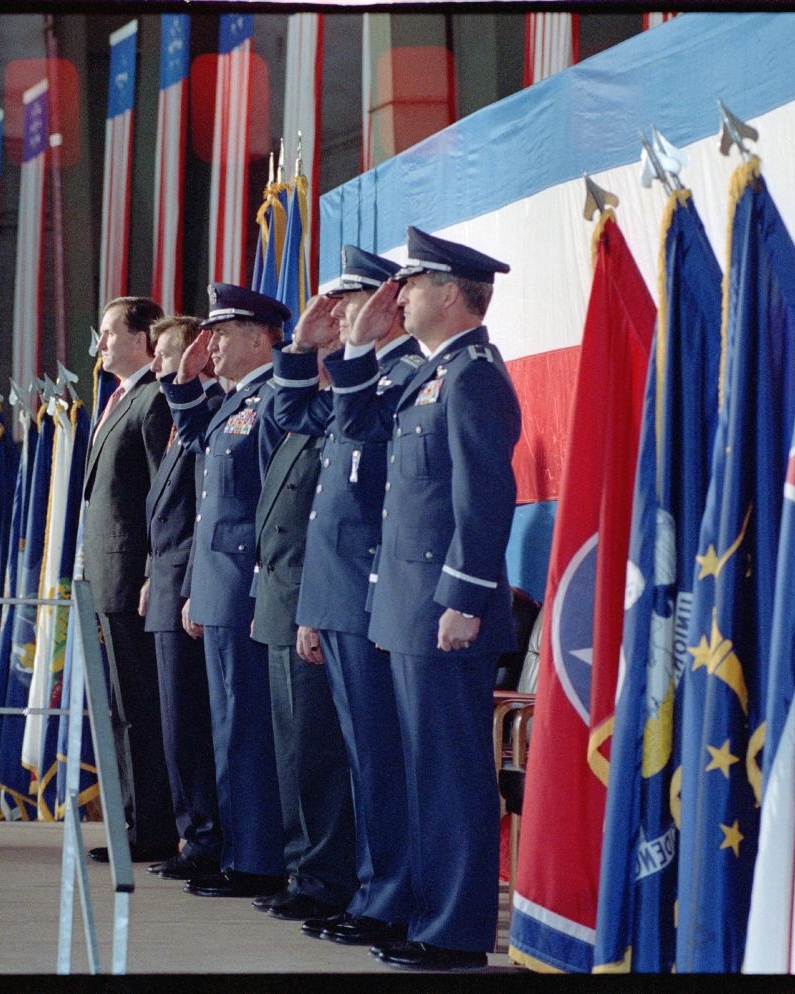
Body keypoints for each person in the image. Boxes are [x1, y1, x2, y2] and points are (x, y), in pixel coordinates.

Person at [324, 226, 521, 971]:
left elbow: (485, 496)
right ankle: (426, 915)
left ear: (449, 292)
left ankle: (454, 931)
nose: (397, 295)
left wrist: (465, 599)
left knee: (448, 774)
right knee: (416, 770)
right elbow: (358, 432)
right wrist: (355, 348)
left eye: (412, 284)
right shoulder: (428, 373)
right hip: (407, 605)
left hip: (443, 609)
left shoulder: (473, 376)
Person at [269, 246, 425, 948]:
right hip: (336, 595)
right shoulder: (359, 381)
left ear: (386, 307)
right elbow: (292, 417)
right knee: (353, 757)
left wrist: (348, 353)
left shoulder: (399, 377)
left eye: (347, 303)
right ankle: (367, 890)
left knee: (375, 761)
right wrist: (301, 349)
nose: (336, 315)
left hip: (369, 594)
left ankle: (381, 895)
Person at [158, 282, 289, 899]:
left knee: (248, 728)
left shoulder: (271, 400)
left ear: (261, 337)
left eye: (225, 333)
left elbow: (272, 504)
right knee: (227, 727)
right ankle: (239, 849)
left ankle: (258, 858)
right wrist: (181, 384)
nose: (211, 344)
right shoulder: (235, 402)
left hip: (245, 588)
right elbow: (200, 444)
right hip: (216, 588)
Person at [248, 321, 357, 924]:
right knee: (292, 751)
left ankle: (322, 875)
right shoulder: (309, 414)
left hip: (311, 597)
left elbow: (325, 519)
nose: (329, 346)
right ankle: (303, 869)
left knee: (316, 754)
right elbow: (282, 412)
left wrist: (309, 605)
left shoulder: (350, 408)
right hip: (283, 594)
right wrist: (298, 350)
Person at [80, 296, 179, 867]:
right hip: (106, 578)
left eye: (111, 333)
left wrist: (148, 572)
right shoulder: (117, 398)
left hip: (134, 580)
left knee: (141, 706)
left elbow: (159, 499)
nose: (101, 345)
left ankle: (154, 829)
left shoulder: (155, 398)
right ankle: (132, 821)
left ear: (143, 338)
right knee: (119, 707)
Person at [141, 314, 226, 881]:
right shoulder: (181, 419)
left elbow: (203, 515)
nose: (157, 366)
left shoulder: (216, 411)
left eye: (167, 354)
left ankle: (206, 838)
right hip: (167, 579)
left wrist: (190, 584)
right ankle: (192, 833)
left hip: (191, 583)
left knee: (192, 725)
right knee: (176, 725)